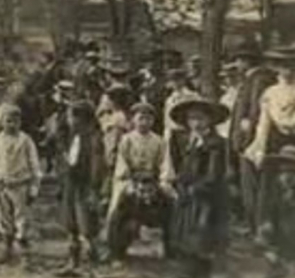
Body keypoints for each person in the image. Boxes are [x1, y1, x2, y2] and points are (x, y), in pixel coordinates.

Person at [244, 46, 295, 276]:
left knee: (290, 199)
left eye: (292, 65)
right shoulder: (270, 92)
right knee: (272, 197)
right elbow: (263, 124)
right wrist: (258, 149)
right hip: (275, 148)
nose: (288, 69)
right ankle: (273, 250)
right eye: (283, 65)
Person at [105, 102, 175, 264]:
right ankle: (116, 252)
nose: (145, 122)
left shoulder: (159, 141)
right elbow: (121, 163)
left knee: (172, 205)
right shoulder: (126, 140)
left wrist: (164, 180)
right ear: (133, 120)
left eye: (149, 119)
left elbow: (165, 163)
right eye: (141, 118)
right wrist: (129, 181)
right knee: (117, 209)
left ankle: (171, 248)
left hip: (153, 181)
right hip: (130, 179)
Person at [168, 97, 230, 278]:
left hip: (207, 199)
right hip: (188, 197)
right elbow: (183, 167)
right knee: (186, 242)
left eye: (200, 118)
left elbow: (213, 174)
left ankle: (201, 271)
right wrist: (179, 183)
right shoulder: (190, 142)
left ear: (210, 120)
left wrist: (195, 188)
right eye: (191, 119)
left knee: (201, 241)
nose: (195, 123)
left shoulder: (216, 144)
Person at [228, 44, 276, 235]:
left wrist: (246, 141)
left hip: (252, 140)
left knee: (251, 184)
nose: (237, 64)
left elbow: (255, 112)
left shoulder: (258, 79)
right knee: (249, 183)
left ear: (247, 61)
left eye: (240, 60)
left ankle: (253, 225)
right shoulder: (252, 78)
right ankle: (253, 223)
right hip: (248, 138)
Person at [0, 106, 42, 265]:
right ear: (2, 122)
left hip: (21, 185)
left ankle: (21, 249)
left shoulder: (26, 140)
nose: (11, 124)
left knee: (21, 217)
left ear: (20, 122)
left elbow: (34, 165)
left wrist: (33, 189)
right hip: (2, 184)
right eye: (8, 121)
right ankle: (6, 248)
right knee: (4, 218)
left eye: (15, 121)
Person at [56, 101, 104, 275]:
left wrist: (94, 189)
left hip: (85, 186)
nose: (68, 120)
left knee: (87, 226)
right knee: (71, 223)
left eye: (71, 116)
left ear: (81, 118)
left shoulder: (94, 137)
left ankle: (91, 266)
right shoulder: (72, 136)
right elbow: (60, 137)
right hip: (71, 184)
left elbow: (97, 166)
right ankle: (73, 262)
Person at [163, 69, 199, 142]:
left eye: (178, 80)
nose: (175, 83)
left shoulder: (192, 96)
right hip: (172, 133)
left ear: (183, 80)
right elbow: (167, 121)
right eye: (173, 81)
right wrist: (167, 135)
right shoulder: (170, 99)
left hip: (187, 131)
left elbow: (197, 115)